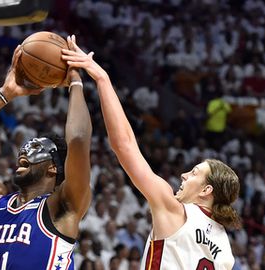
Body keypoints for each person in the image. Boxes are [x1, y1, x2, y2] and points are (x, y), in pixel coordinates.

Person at [62, 38, 241, 269]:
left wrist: (102, 78)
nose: (184, 175)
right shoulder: (224, 248)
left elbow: (123, 145)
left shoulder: (175, 210)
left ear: (207, 190)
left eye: (195, 173)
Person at [0, 35, 92, 269]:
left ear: (53, 167)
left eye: (36, 148)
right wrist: (6, 93)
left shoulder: (62, 206)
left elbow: (79, 140)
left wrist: (75, 81)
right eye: (26, 146)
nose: (25, 150)